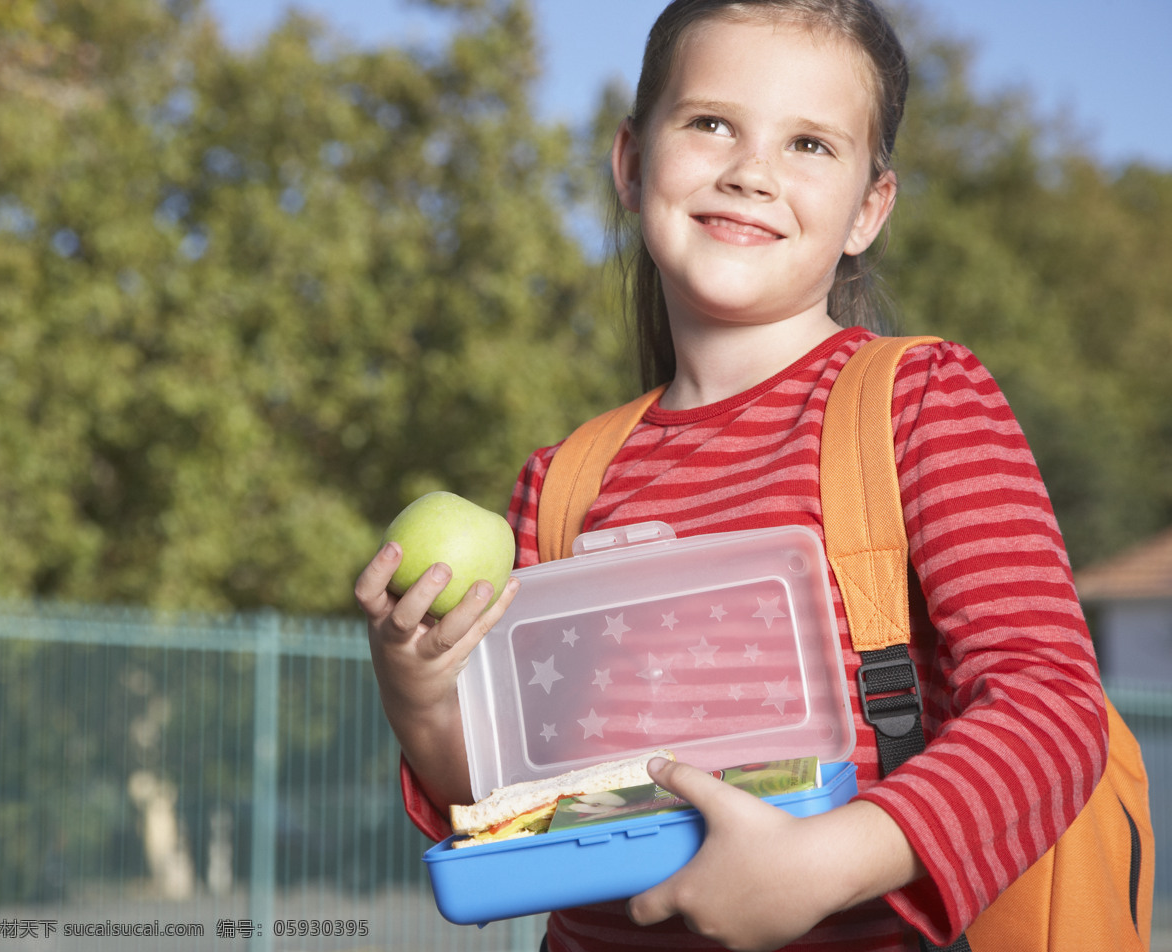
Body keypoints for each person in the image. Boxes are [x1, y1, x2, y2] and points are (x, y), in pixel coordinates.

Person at [354, 1, 1109, 949]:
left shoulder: (920, 401)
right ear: (632, 163)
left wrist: (825, 863)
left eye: (809, 144)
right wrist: (419, 696)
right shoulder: (558, 486)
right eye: (711, 123)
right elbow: (522, 803)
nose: (752, 172)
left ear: (869, 210)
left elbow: (1050, 706)